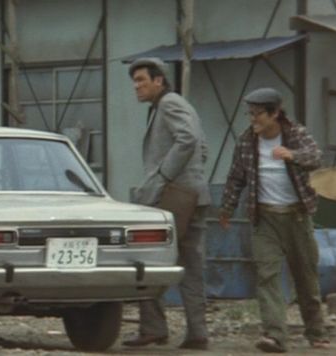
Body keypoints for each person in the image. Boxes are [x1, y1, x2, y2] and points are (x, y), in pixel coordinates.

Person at [219, 87, 329, 353]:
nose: (252, 119)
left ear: (275, 113)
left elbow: (316, 157)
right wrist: (227, 208)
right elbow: (236, 177)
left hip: (297, 217)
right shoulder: (247, 141)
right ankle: (274, 335)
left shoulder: (296, 134)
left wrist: (293, 156)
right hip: (264, 218)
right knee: (267, 275)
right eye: (250, 114)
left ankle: (316, 332)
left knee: (306, 276)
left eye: (258, 114)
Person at [124, 57, 210, 350]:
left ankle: (154, 328)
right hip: (189, 193)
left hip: (175, 195)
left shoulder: (169, 103)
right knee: (190, 264)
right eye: (134, 81)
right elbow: (201, 144)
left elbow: (188, 138)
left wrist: (163, 175)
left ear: (158, 80)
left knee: (148, 259)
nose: (136, 87)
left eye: (141, 80)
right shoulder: (173, 105)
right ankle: (196, 332)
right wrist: (193, 172)